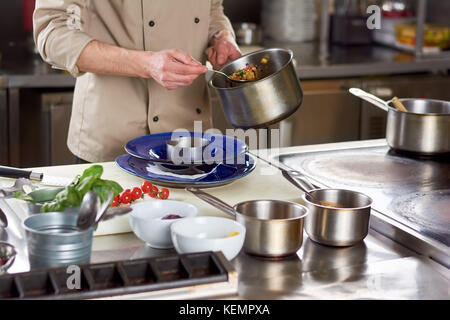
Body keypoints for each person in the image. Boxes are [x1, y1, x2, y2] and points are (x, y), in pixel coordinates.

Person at [33, 0, 241, 163]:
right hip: (113, 140)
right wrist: (146, 64)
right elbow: (52, 31)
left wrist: (221, 36)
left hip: (191, 140)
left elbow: (212, 10)